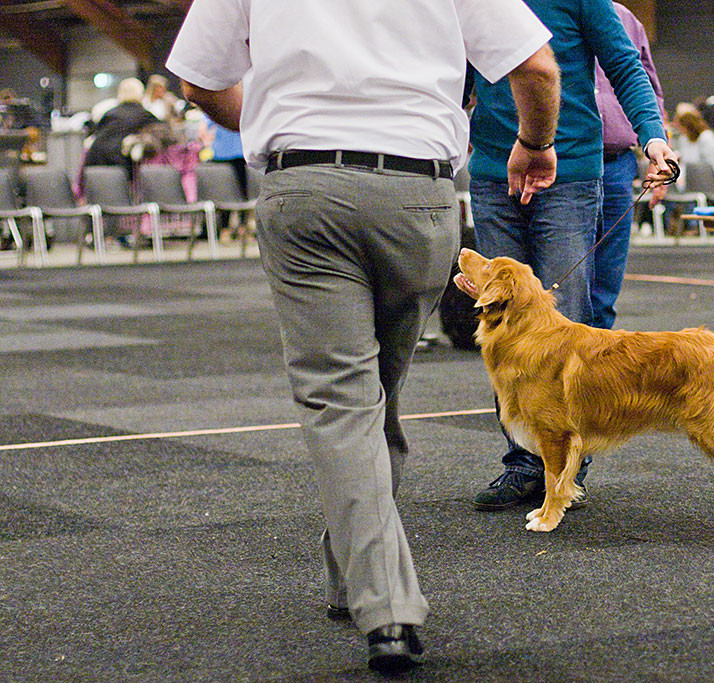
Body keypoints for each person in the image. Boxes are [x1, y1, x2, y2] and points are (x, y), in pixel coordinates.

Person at [166, 0, 560, 673]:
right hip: (420, 197)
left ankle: (388, 609)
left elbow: (200, 79)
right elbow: (538, 68)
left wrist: (267, 118)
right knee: (374, 396)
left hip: (306, 191)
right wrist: (535, 141)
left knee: (347, 403)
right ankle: (358, 580)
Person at [467, 0, 677, 512]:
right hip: (492, 171)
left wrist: (653, 138)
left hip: (571, 170)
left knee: (568, 318)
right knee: (501, 324)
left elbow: (627, 67)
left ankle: (565, 466)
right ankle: (523, 464)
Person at [592, 1, 667, 330]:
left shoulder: (627, 20)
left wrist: (658, 150)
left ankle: (597, 375)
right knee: (562, 281)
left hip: (618, 163)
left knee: (605, 285)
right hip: (561, 162)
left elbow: (649, 91)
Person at [82, 78, 159, 169]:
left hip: (96, 164)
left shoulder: (109, 114)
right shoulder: (146, 116)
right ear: (141, 94)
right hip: (126, 168)